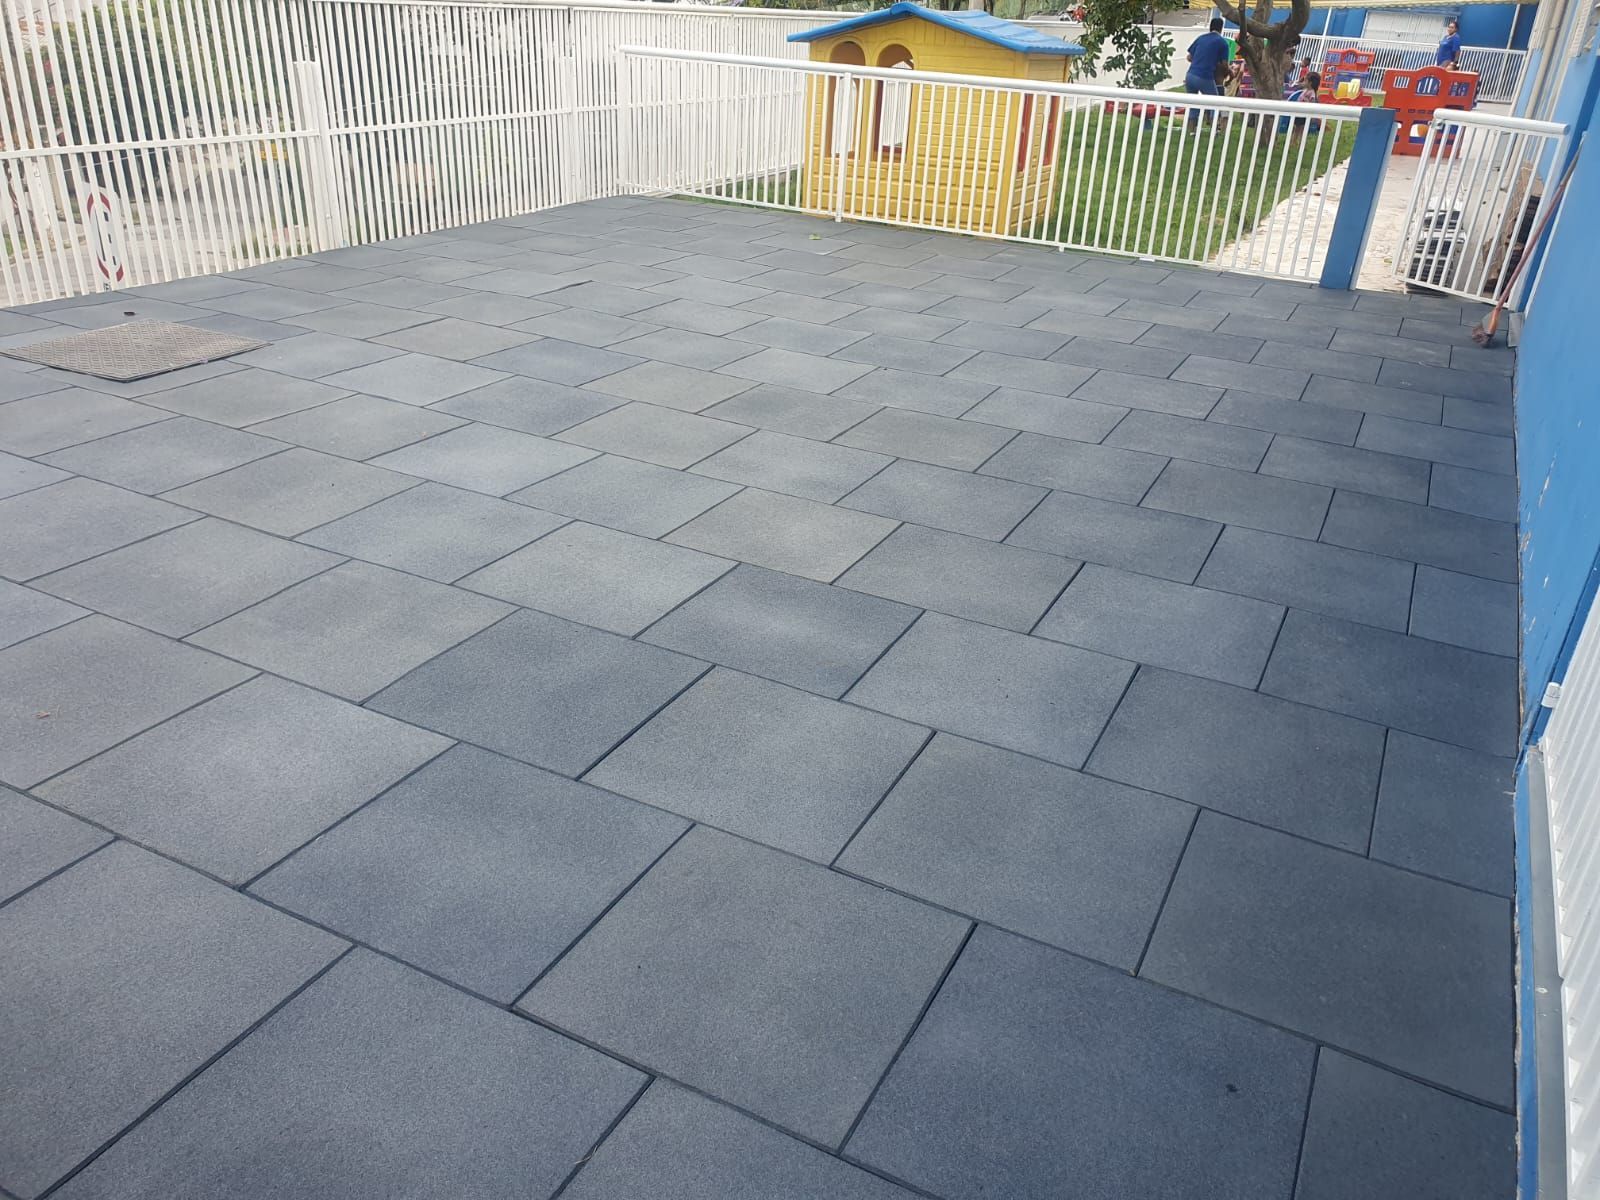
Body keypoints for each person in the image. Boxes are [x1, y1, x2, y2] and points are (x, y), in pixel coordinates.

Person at [1186, 17, 1231, 129]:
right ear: (1221, 28)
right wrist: (1228, 73)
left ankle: (1191, 130)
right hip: (1204, 76)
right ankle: (1214, 128)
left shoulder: (1200, 38)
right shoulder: (1222, 43)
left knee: (1193, 103)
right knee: (1214, 102)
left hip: (1190, 76)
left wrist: (1200, 61)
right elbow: (1224, 65)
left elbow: (1189, 57)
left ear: (1210, 26)